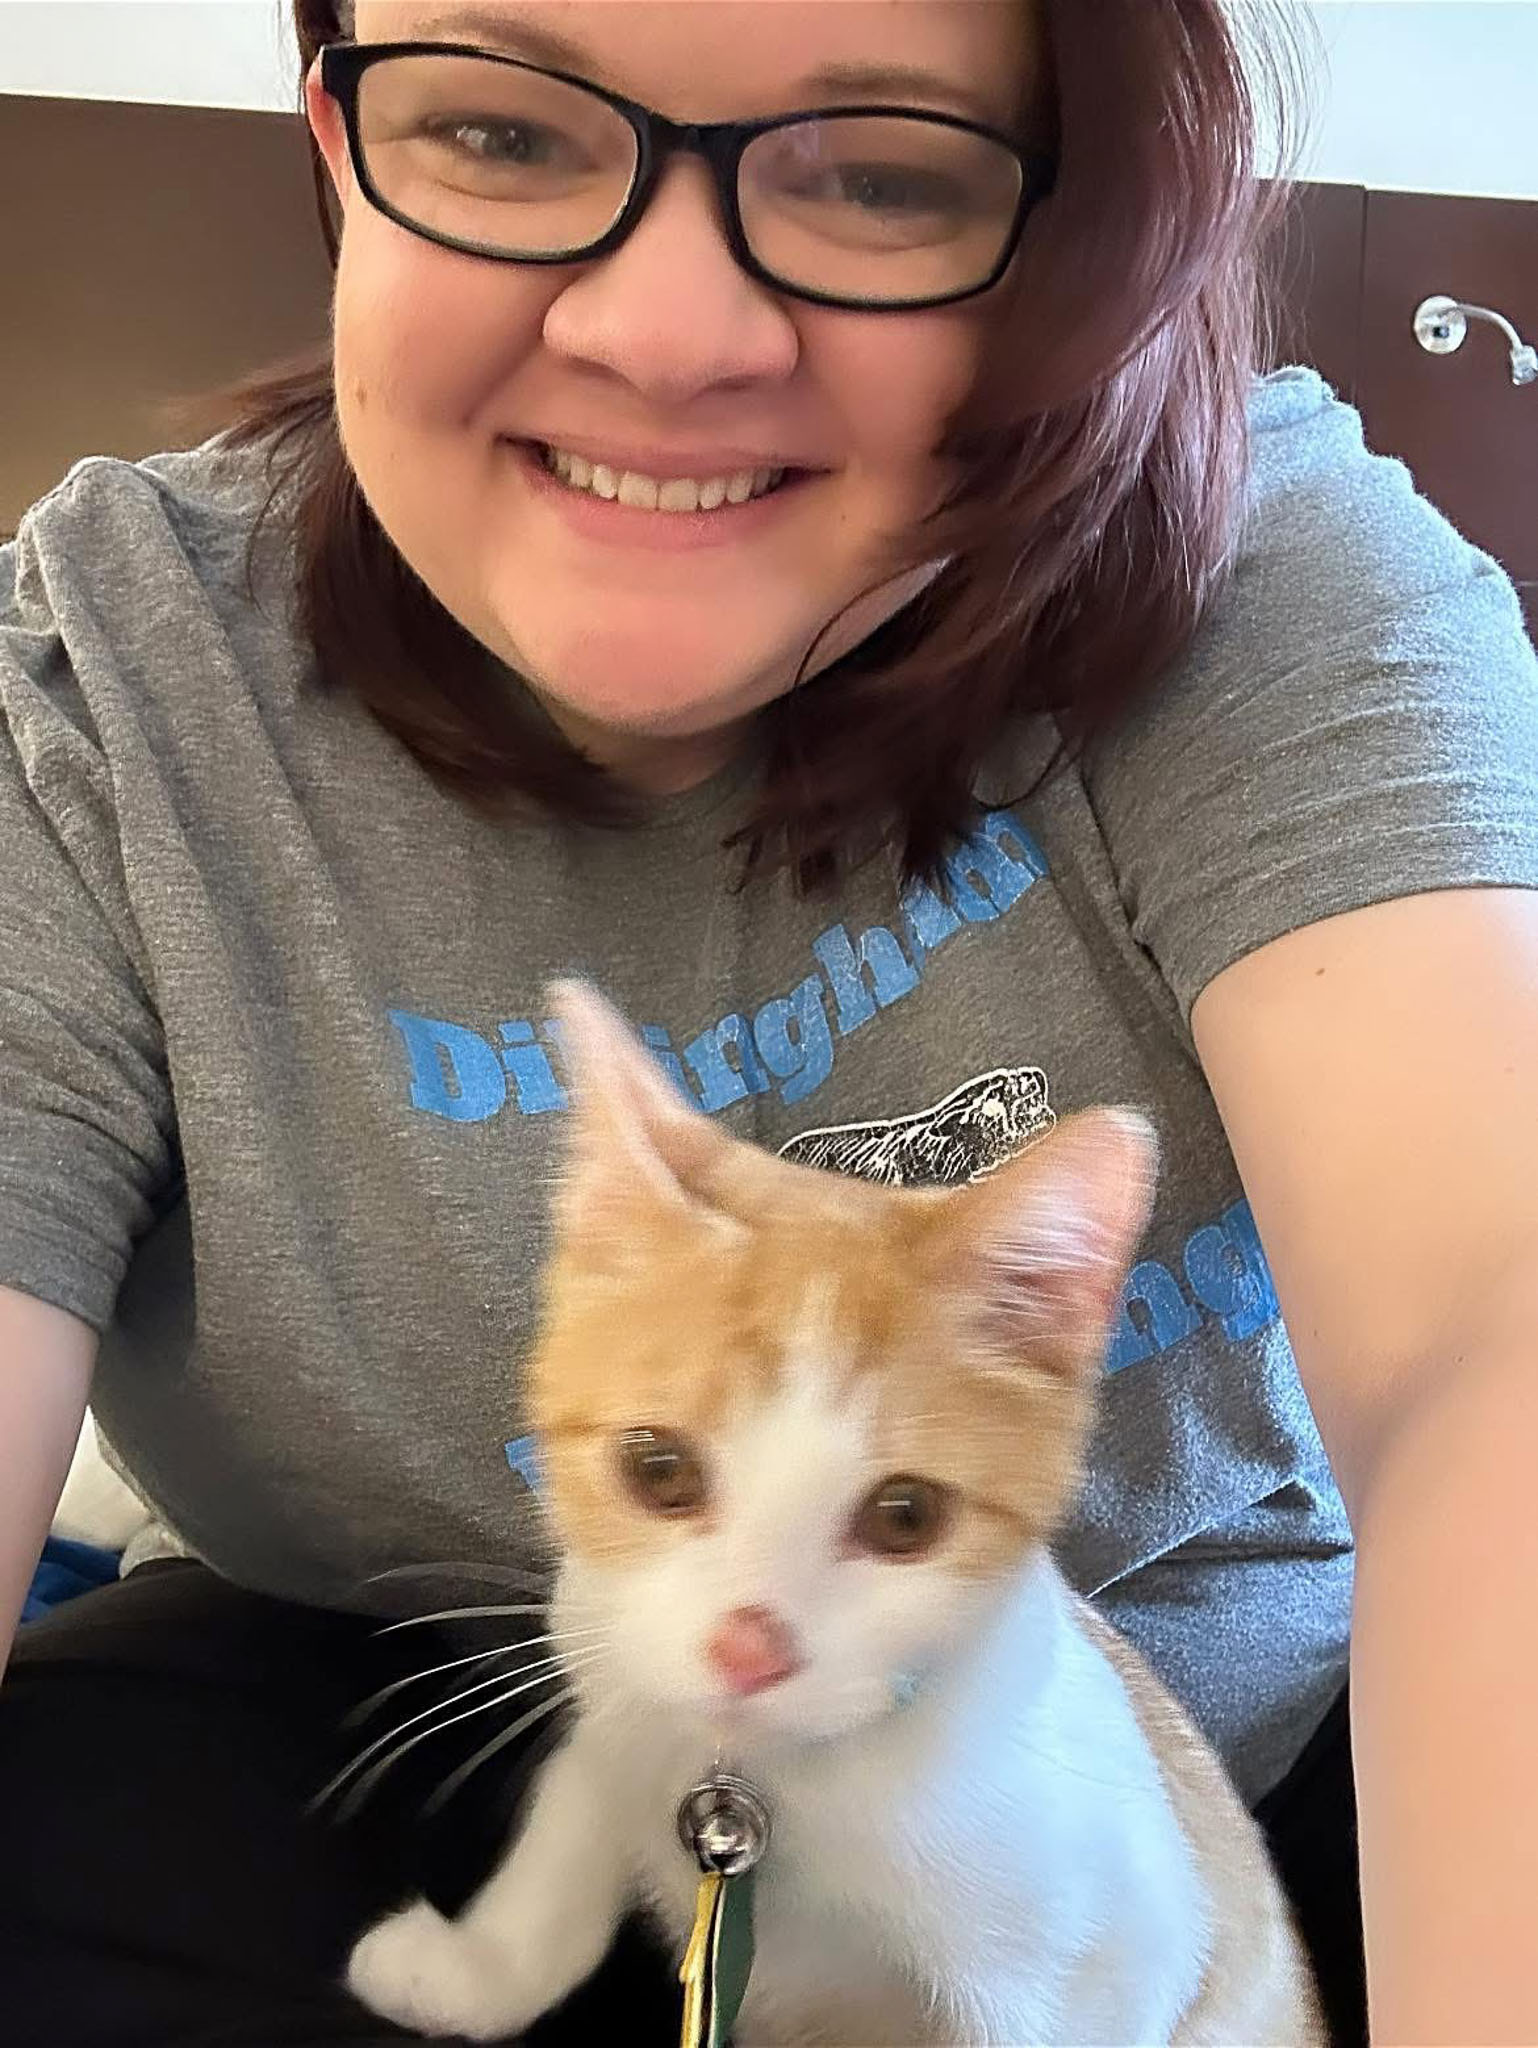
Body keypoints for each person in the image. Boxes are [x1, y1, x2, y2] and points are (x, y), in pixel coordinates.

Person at [2, 1, 1536, 2041]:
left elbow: (1488, 1346)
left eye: (882, 170)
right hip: (439, 1686)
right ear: (338, 145)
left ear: (1074, 237)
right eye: (501, 132)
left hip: (1206, 1762)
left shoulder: (1278, 585)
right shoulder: (107, 679)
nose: (664, 334)